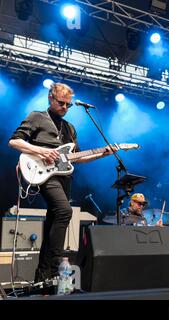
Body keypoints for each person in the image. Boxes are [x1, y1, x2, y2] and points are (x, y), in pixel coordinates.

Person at [8, 83, 115, 283]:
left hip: (64, 177)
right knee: (65, 211)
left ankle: (42, 276)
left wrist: (102, 154)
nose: (65, 108)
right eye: (61, 103)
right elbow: (14, 142)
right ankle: (57, 264)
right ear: (51, 98)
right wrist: (42, 151)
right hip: (42, 173)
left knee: (53, 220)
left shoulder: (69, 128)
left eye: (68, 105)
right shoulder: (37, 116)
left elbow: (77, 157)